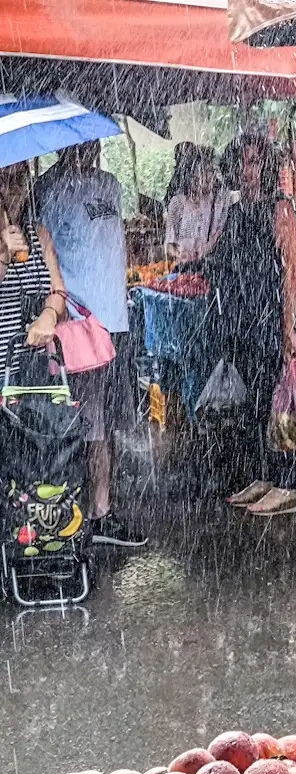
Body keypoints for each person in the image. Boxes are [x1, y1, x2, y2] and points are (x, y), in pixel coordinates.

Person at [35, 141, 144, 547]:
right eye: (80, 143)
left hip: (114, 319)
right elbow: (46, 253)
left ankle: (96, 509)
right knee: (84, 422)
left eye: (93, 141)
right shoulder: (49, 189)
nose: (89, 148)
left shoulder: (111, 185)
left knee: (107, 422)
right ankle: (89, 512)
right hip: (79, 323)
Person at [213, 134, 296, 516]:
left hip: (273, 319)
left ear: (267, 168)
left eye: (254, 162)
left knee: (284, 403)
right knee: (256, 404)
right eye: (241, 162)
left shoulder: (280, 209)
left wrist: (288, 328)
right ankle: (264, 476)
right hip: (245, 323)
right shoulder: (236, 211)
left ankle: (290, 483)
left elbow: (292, 272)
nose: (247, 171)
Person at [0, 161, 68, 375]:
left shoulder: (38, 233)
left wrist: (49, 314)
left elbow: (58, 290)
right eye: (4, 179)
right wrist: (3, 254)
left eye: (20, 179)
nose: (12, 188)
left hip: (34, 369)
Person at [164, 146, 229, 265]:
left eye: (213, 171)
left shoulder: (219, 203)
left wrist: (205, 250)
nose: (212, 176)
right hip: (183, 266)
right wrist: (179, 254)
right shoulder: (177, 203)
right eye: (206, 171)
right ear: (193, 175)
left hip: (210, 265)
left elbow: (219, 233)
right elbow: (169, 244)